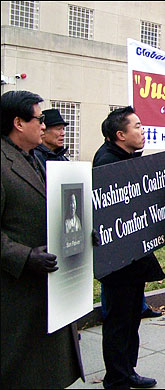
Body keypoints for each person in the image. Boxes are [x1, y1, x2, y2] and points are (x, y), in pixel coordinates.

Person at [93, 106, 165, 389]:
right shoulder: (107, 162)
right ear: (120, 135)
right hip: (118, 262)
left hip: (134, 258)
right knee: (119, 321)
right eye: (137, 126)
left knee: (132, 317)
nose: (143, 131)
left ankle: (128, 370)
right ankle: (117, 378)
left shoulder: (128, 158)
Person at [1, 90, 84, 388]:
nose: (44, 127)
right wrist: (23, 256)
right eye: (39, 120)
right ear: (19, 123)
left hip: (49, 290)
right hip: (17, 292)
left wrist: (83, 235)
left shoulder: (33, 159)